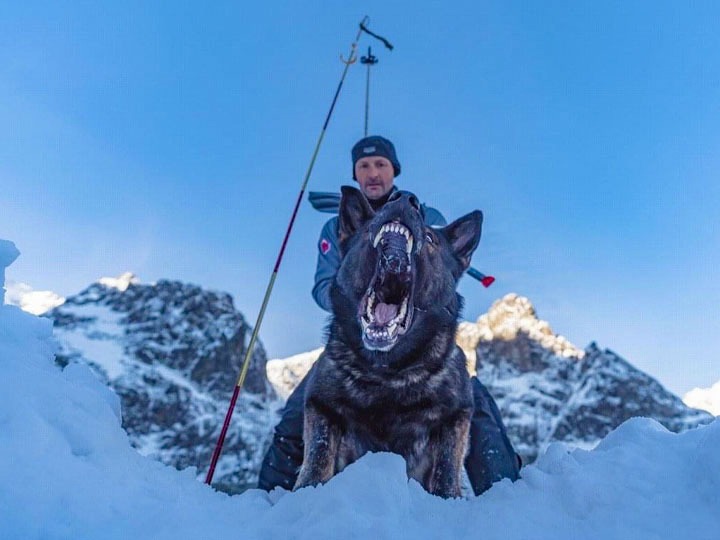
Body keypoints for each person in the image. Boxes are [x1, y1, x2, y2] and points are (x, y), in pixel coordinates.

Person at [258, 135, 520, 495]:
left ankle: (509, 504)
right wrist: (359, 283)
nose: (372, 173)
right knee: (296, 415)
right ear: (355, 174)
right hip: (355, 345)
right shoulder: (336, 226)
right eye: (364, 166)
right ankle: (268, 510)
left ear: (394, 170)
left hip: (418, 345)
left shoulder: (430, 219)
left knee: (473, 402)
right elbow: (323, 290)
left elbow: (441, 284)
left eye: (380, 164)